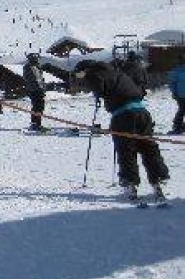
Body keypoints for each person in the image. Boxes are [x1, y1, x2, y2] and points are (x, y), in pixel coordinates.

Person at [75, 60, 170, 202]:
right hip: (142, 112)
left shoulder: (94, 74)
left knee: (126, 149)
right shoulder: (117, 72)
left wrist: (97, 93)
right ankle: (158, 179)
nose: (80, 77)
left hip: (123, 115)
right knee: (148, 147)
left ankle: (130, 183)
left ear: (85, 70)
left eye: (80, 74)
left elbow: (99, 88)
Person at [22, 53, 47, 130]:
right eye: (36, 59)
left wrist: (43, 88)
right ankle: (36, 124)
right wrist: (40, 89)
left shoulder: (36, 67)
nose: (37, 60)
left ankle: (37, 123)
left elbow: (40, 79)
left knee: (39, 106)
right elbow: (34, 80)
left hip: (37, 90)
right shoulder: (30, 67)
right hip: (35, 90)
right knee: (37, 106)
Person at [169, 53, 185, 134]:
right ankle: (177, 126)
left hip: (180, 94)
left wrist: (174, 92)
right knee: (181, 110)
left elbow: (172, 83)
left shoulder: (175, 71)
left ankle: (178, 125)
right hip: (180, 95)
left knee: (181, 110)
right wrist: (174, 92)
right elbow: (172, 83)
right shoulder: (176, 71)